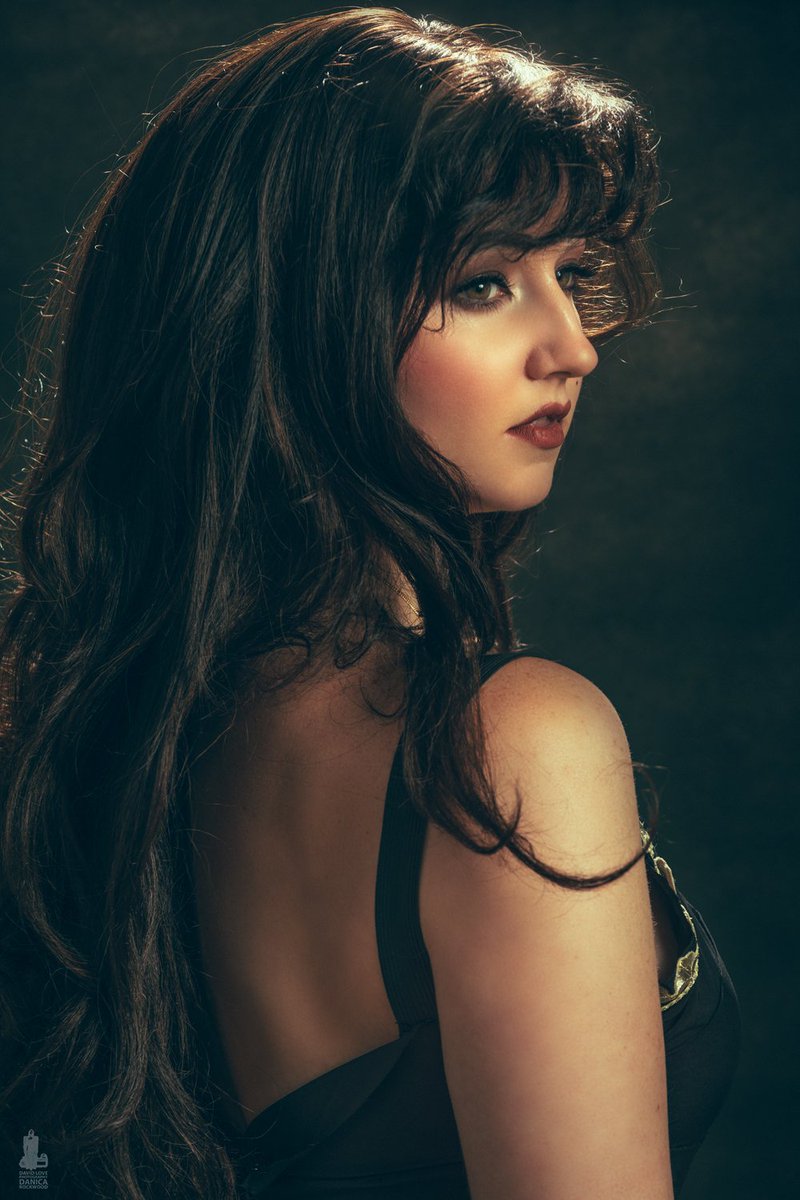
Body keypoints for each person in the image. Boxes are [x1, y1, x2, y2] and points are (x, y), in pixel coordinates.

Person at [0, 7, 741, 1199]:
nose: (572, 349)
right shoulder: (506, 746)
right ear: (299, 314)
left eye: (570, 277)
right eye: (483, 283)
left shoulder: (89, 743)